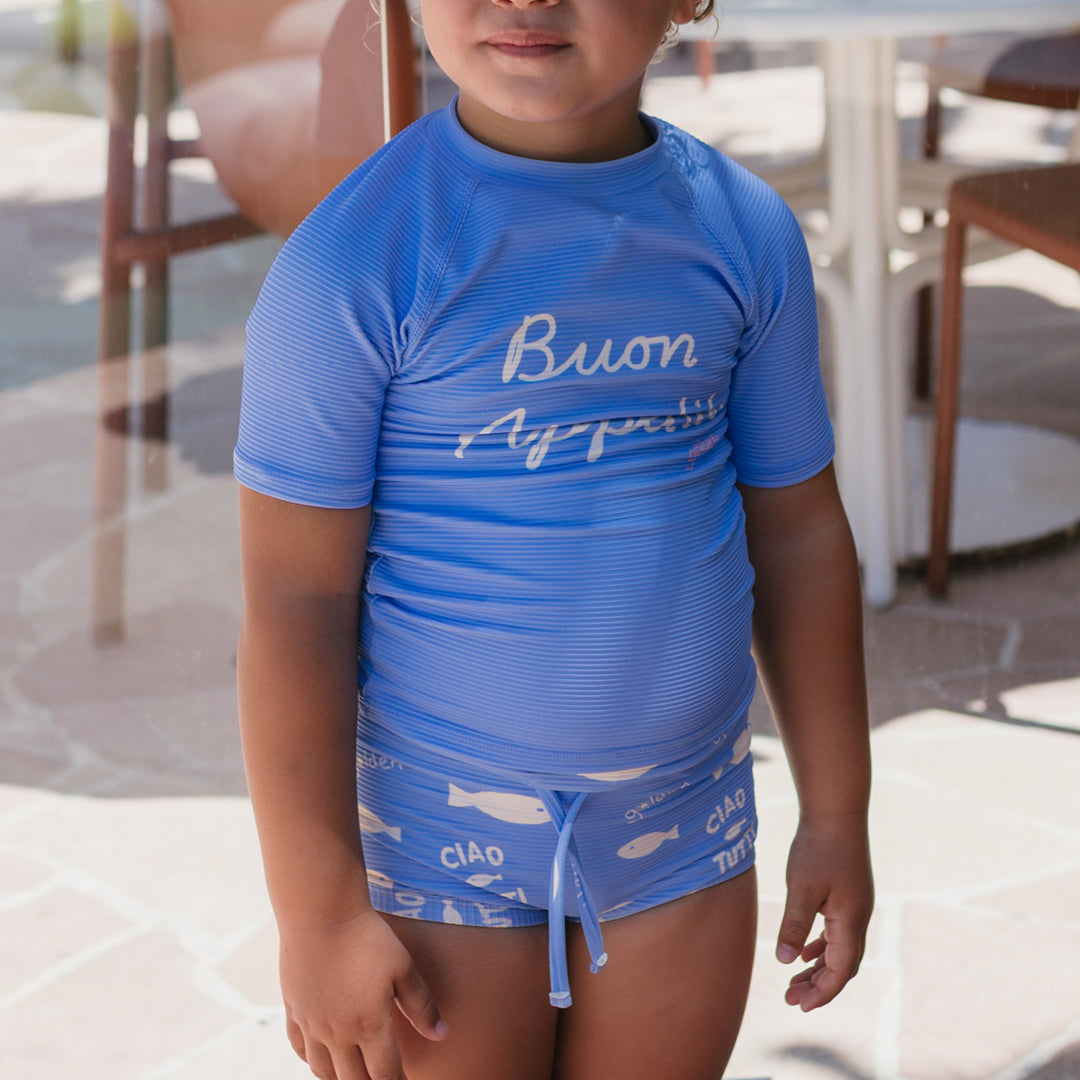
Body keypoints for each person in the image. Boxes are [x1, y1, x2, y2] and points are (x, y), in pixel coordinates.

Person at [233, 1, 875, 1078]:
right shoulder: (350, 264)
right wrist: (319, 914)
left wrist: (838, 812)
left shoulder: (744, 231)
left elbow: (801, 539)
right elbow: (297, 604)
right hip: (436, 862)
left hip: (687, 843)